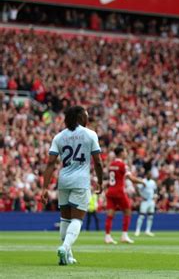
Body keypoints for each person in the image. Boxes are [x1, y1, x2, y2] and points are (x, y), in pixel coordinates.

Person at [41, 105, 104, 265]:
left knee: (65, 219)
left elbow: (50, 164)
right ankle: (64, 247)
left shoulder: (59, 137)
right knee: (77, 219)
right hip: (80, 181)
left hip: (64, 180)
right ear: (81, 118)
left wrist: (44, 188)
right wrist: (100, 181)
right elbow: (97, 161)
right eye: (86, 115)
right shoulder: (90, 134)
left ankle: (67, 256)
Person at [104, 146, 143, 244]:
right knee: (127, 211)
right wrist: (142, 182)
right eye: (125, 151)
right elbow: (131, 179)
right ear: (121, 153)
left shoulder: (111, 164)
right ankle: (124, 235)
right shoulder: (122, 165)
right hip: (119, 192)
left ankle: (107, 236)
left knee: (110, 215)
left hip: (110, 191)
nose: (126, 153)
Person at [135, 171, 157, 237]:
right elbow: (137, 188)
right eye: (149, 174)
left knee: (150, 216)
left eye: (151, 175)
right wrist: (140, 196)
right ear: (146, 175)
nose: (150, 176)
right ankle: (137, 231)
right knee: (141, 216)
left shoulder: (153, 182)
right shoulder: (143, 181)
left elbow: (155, 190)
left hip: (151, 201)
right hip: (145, 200)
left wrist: (155, 198)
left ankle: (148, 230)